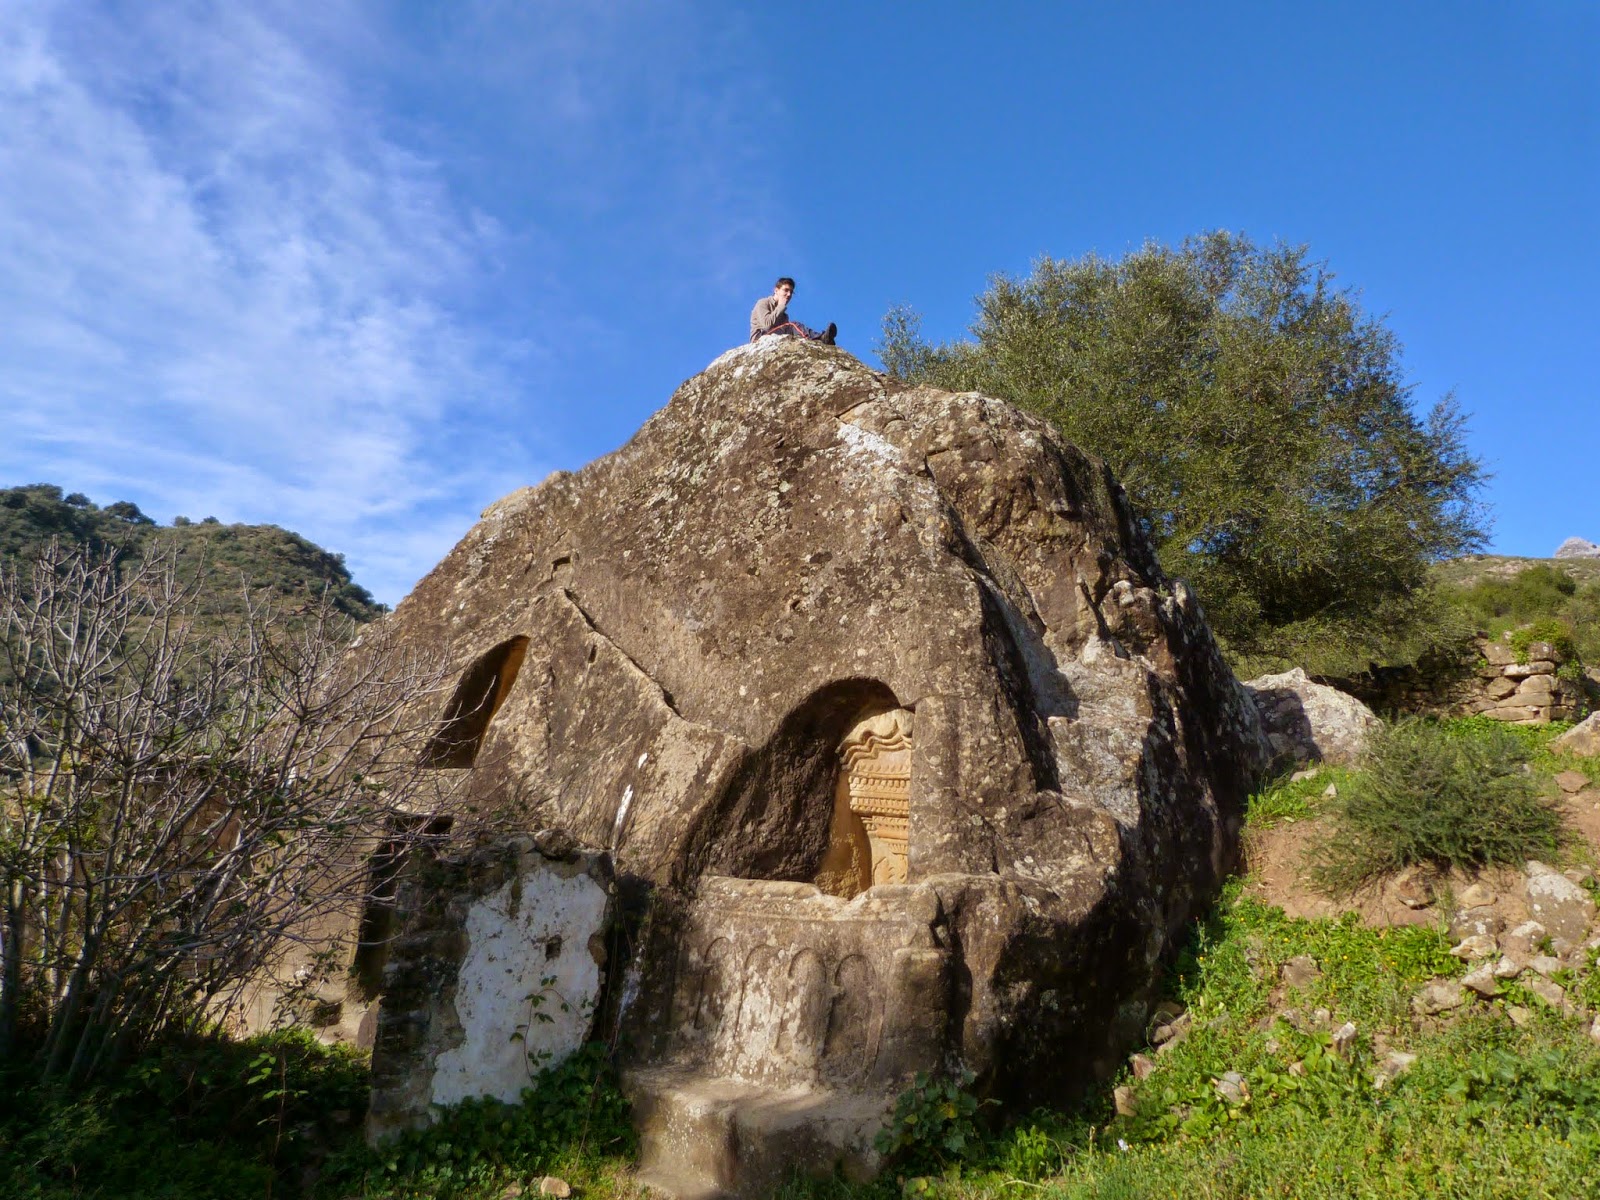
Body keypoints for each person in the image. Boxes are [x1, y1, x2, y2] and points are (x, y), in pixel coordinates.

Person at [750, 277, 837, 344]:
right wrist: (780, 305)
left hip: (775, 338)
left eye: (791, 292)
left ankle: (821, 339)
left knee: (792, 330)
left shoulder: (784, 315)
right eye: (786, 290)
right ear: (776, 290)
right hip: (760, 339)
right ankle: (820, 338)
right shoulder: (763, 303)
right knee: (793, 325)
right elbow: (766, 325)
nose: (789, 294)